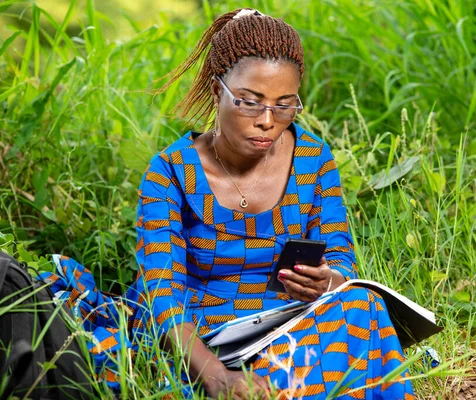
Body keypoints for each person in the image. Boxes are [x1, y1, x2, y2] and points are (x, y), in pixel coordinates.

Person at [42, 8, 415, 400]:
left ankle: (272, 386)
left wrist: (328, 281)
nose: (268, 121)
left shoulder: (313, 159)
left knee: (363, 305)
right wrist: (217, 376)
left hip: (287, 323)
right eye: (250, 102)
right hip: (202, 337)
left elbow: (340, 258)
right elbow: (161, 293)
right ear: (219, 91)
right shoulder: (171, 172)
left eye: (285, 105)